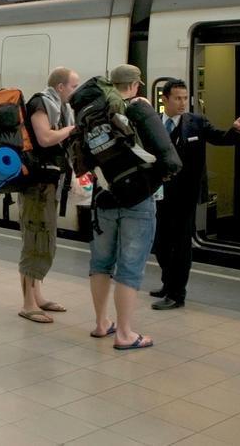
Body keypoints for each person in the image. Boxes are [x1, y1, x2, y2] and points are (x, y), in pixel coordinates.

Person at [86, 65, 181, 351]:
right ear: (136, 85)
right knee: (129, 269)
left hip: (103, 198)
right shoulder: (140, 110)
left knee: (100, 264)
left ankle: (102, 323)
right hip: (137, 201)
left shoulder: (94, 113)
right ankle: (124, 333)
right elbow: (170, 161)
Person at [151, 79, 240, 310]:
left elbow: (220, 138)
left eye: (185, 98)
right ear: (164, 99)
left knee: (181, 244)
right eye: (177, 98)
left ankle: (177, 295)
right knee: (161, 242)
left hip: (186, 195)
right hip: (159, 193)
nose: (182, 102)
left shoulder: (196, 122)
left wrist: (236, 129)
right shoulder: (154, 122)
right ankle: (167, 284)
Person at [17, 67, 79, 324]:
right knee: (34, 240)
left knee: (44, 239)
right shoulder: (41, 103)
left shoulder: (59, 107)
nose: (75, 91)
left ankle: (38, 296)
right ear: (61, 87)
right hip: (36, 184)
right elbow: (44, 138)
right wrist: (72, 130)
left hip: (48, 184)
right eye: (74, 86)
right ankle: (28, 304)